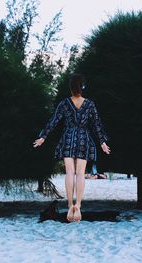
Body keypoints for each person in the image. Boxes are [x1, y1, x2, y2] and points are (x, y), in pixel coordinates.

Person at [33, 73, 111, 222]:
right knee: (80, 174)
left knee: (70, 172)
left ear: (70, 88)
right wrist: (102, 142)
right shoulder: (89, 104)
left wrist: (43, 136)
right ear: (82, 87)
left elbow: (54, 121)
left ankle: (70, 205)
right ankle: (78, 206)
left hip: (68, 138)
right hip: (83, 139)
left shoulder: (64, 103)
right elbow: (96, 124)